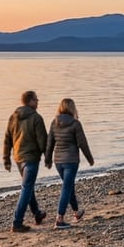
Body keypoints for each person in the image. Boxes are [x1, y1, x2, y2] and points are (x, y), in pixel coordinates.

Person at [43, 97, 95, 229]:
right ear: (72, 108)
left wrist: (48, 159)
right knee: (67, 187)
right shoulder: (75, 124)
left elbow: (49, 143)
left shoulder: (54, 123)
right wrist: (89, 158)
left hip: (58, 161)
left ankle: (77, 212)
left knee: (69, 185)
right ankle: (59, 219)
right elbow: (83, 143)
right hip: (71, 161)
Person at [2, 90, 48, 232]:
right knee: (27, 187)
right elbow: (43, 140)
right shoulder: (36, 118)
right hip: (31, 158)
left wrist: (6, 159)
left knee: (28, 185)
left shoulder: (13, 117)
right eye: (36, 99)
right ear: (30, 101)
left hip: (18, 158)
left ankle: (37, 214)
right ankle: (17, 222)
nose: (38, 101)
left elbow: (7, 139)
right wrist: (48, 156)